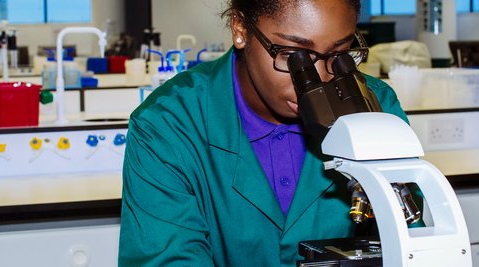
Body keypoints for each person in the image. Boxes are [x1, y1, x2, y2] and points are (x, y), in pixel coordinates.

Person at [118, 0, 408, 266]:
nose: (319, 78)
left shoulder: (376, 107)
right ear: (240, 28)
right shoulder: (168, 124)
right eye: (293, 55)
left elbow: (413, 243)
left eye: (338, 54)